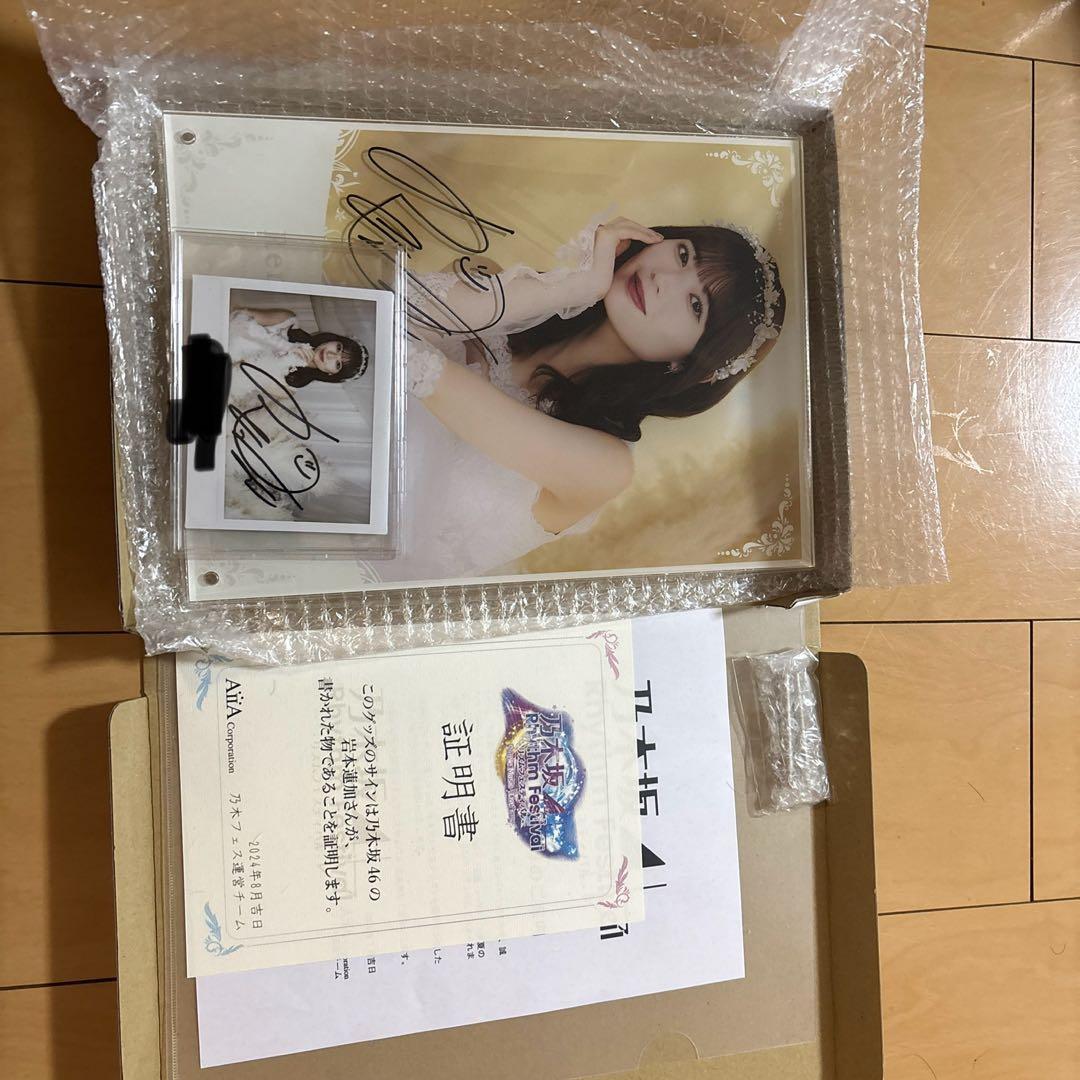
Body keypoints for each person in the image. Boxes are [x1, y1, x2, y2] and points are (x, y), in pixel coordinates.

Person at [372, 217, 786, 583]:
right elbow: (381, 311)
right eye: (683, 255)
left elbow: (405, 352)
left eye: (695, 305)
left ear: (689, 363)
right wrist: (575, 286)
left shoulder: (605, 465)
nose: (663, 279)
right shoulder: (499, 288)